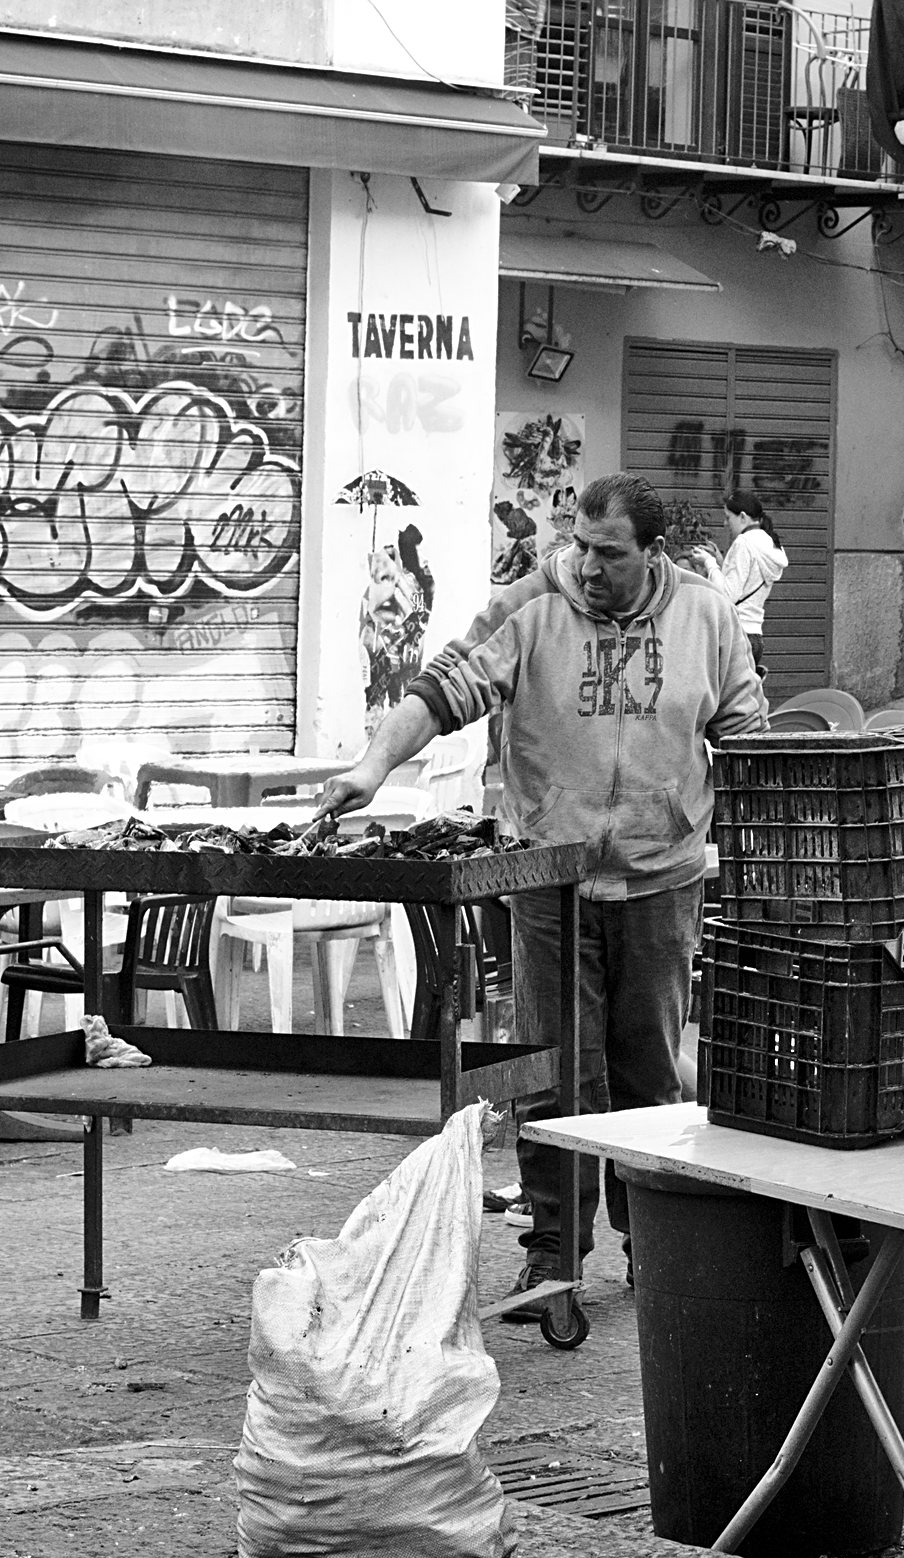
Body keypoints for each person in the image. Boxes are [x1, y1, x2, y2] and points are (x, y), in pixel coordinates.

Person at [315, 472, 768, 1309]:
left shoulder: (707, 615)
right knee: (550, 1073)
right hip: (547, 879)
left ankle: (650, 1245)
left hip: (662, 878)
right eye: (581, 547)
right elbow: (441, 690)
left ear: (652, 551)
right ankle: (554, 1247)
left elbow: (745, 736)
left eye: (609, 553)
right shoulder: (529, 605)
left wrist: (756, 849)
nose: (588, 567)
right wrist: (373, 765)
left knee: (648, 1074)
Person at [717, 489, 789, 680]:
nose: (725, 524)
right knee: (745, 701)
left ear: (742, 517)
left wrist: (709, 565)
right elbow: (748, 583)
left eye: (727, 517)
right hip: (755, 637)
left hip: (737, 636)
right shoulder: (769, 543)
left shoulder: (743, 543)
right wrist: (721, 563)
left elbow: (727, 595)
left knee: (727, 705)